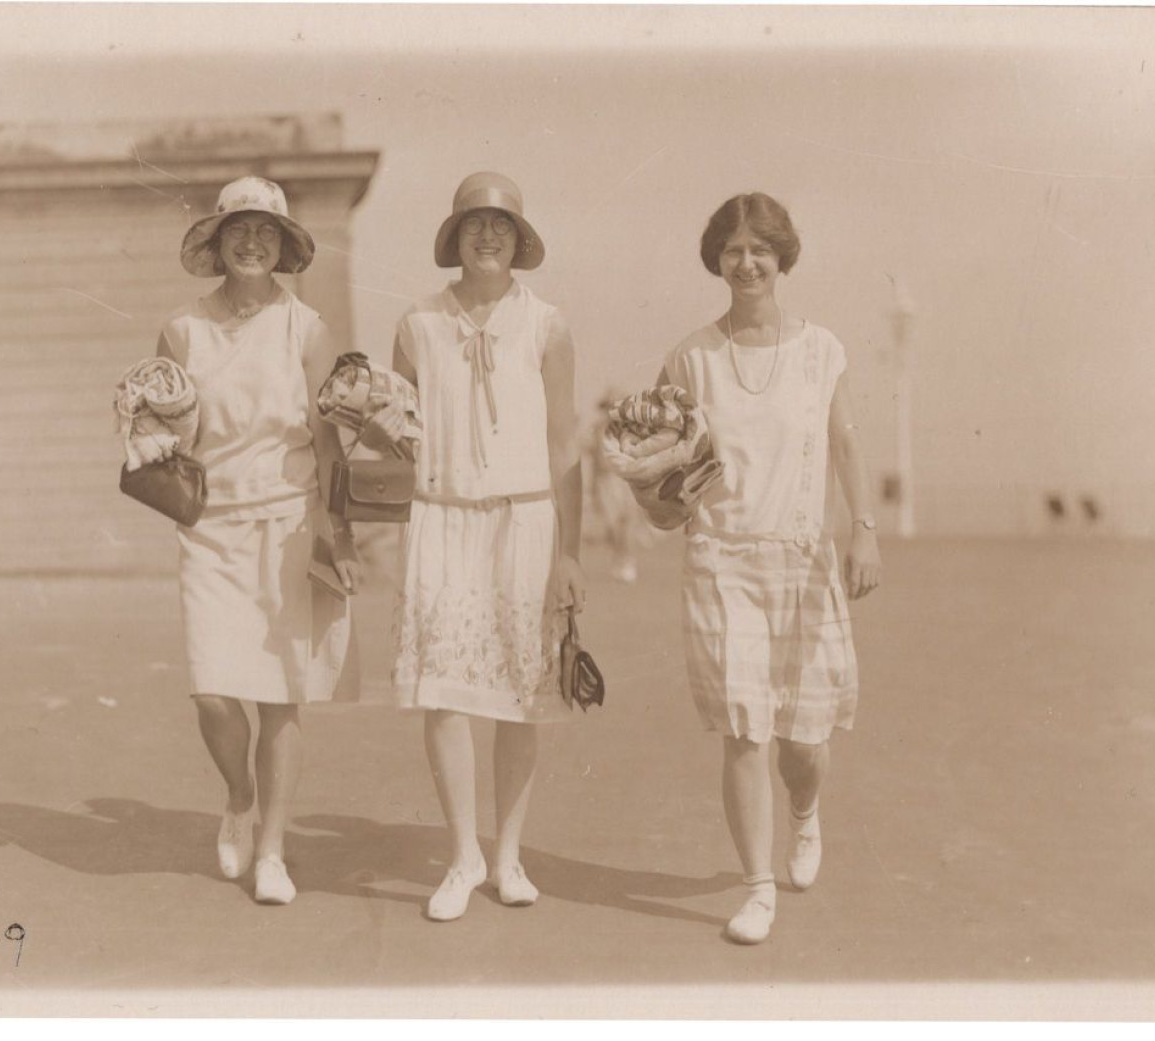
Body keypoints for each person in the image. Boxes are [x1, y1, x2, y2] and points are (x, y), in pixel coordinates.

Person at [655, 192, 882, 945]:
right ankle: (756, 885)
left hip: (800, 556)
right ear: (715, 260)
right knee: (744, 730)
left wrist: (863, 529)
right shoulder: (690, 356)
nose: (745, 262)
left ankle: (805, 814)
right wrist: (655, 495)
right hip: (721, 559)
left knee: (803, 743)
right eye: (731, 250)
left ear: (782, 256)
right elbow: (664, 461)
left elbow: (845, 443)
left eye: (759, 248)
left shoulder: (820, 349)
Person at [362, 171, 586, 921]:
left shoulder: (547, 324)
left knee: (520, 696)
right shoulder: (415, 325)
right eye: (472, 224)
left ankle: (508, 854)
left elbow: (564, 448)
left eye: (500, 224)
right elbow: (394, 433)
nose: (486, 235)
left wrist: (571, 554)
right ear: (453, 237)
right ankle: (461, 855)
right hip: (441, 516)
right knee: (444, 692)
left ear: (519, 240)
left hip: (524, 520)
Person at [133, 177, 361, 906]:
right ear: (218, 242)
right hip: (211, 527)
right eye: (239, 230)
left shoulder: (308, 329)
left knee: (281, 698)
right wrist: (143, 426)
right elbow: (163, 426)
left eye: (266, 231)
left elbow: (330, 445)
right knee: (211, 691)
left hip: (289, 522)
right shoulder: (182, 331)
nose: (252, 241)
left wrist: (337, 531)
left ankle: (271, 849)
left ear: (284, 245)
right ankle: (238, 793)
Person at [585, 390, 648, 583]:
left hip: (622, 479)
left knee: (625, 522)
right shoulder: (597, 430)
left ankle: (627, 561)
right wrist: (593, 487)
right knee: (611, 525)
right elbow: (594, 462)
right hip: (604, 481)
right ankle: (619, 558)